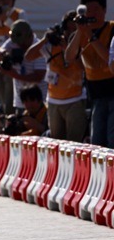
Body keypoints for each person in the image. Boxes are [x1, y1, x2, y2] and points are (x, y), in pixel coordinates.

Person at [25, 10, 87, 142]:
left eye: (74, 29)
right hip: (54, 101)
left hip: (75, 100)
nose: (70, 32)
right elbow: (28, 57)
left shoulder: (82, 44)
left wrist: (67, 49)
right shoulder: (51, 46)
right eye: (68, 29)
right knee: (56, 141)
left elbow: (84, 67)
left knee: (74, 142)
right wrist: (45, 39)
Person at [66, 0, 114, 148]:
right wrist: (80, 32)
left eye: (96, 10)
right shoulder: (81, 33)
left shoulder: (111, 29)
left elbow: (109, 58)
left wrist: (92, 37)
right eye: (88, 10)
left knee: (111, 137)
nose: (92, 14)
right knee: (97, 139)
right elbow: (69, 57)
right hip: (96, 94)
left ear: (104, 10)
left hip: (112, 90)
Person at [0, 20, 46, 114]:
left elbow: (38, 77)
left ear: (30, 36)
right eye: (18, 43)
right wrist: (3, 54)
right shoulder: (13, 42)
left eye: (23, 43)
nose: (20, 45)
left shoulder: (39, 48)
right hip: (20, 102)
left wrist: (14, 75)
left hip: (38, 102)